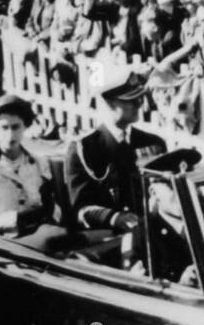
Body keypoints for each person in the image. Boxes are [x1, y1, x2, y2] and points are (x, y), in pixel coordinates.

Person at [63, 65, 166, 234]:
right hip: (110, 238)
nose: (139, 104)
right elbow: (80, 209)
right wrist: (114, 217)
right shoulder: (85, 149)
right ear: (108, 102)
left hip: (154, 233)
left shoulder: (153, 143)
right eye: (130, 100)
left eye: (140, 98)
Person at [0, 93, 68, 254]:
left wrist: (50, 214)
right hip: (4, 243)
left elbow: (55, 207)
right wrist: (15, 220)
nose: (10, 136)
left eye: (16, 127)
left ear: (25, 127)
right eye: (4, 128)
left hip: (43, 235)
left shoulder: (40, 162)